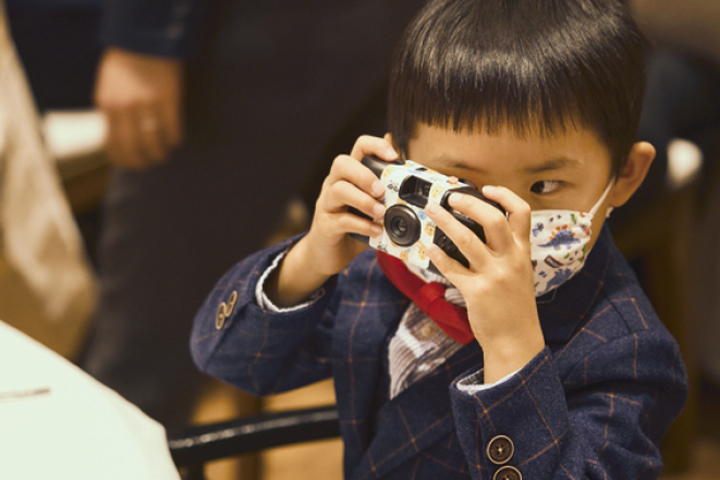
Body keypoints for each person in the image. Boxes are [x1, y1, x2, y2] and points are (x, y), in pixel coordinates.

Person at [190, 0, 688, 478]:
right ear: (399, 158)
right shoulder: (383, 270)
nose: (498, 222)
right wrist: (308, 262)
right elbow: (230, 361)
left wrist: (513, 347)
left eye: (543, 186)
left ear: (625, 174)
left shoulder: (626, 351)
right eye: (462, 185)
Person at [79, 0, 425, 430]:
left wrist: (145, 35)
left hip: (391, 31)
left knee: (408, 325)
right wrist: (146, 34)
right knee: (148, 359)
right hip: (266, 30)